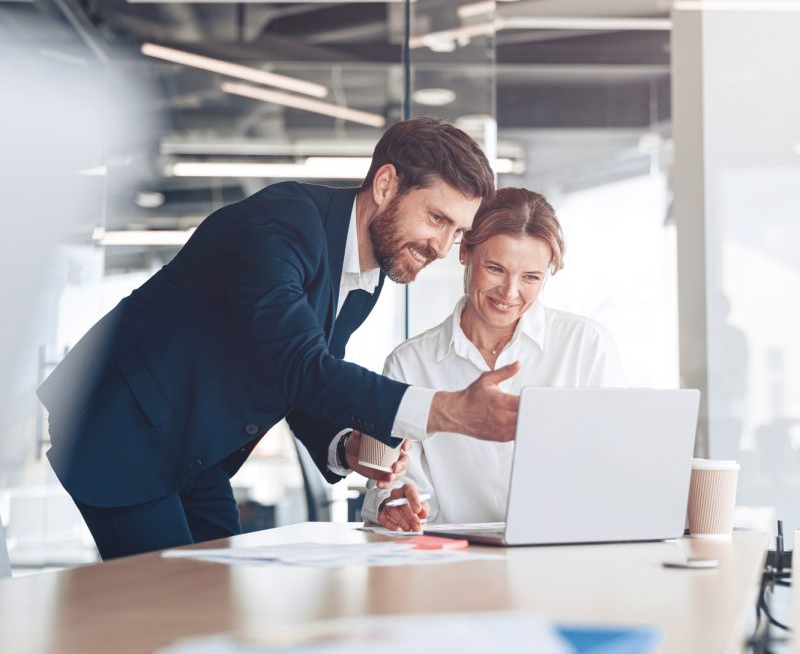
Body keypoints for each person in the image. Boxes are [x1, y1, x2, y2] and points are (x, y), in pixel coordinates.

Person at [38, 117, 522, 560]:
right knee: (170, 612)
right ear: (385, 184)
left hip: (194, 448)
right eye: (436, 219)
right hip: (122, 429)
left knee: (215, 604)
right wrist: (445, 410)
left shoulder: (366, 275)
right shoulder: (281, 226)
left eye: (457, 232)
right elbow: (298, 363)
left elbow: (294, 378)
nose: (441, 248)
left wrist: (344, 445)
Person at [362, 187, 625, 532]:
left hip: (563, 554)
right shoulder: (410, 364)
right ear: (466, 253)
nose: (510, 292)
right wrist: (394, 504)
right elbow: (393, 485)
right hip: (455, 563)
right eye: (496, 269)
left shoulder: (585, 346)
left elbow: (614, 469)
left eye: (531, 277)